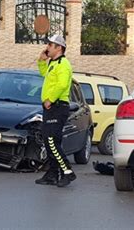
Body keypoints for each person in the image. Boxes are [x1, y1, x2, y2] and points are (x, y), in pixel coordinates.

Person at [35, 34, 76, 187]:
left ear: (59, 48)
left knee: (52, 141)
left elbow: (62, 84)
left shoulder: (64, 64)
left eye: (50, 45)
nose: (47, 48)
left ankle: (68, 172)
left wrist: (50, 99)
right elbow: (43, 73)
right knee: (49, 141)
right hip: (51, 107)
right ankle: (53, 173)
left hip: (57, 106)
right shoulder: (53, 63)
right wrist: (41, 60)